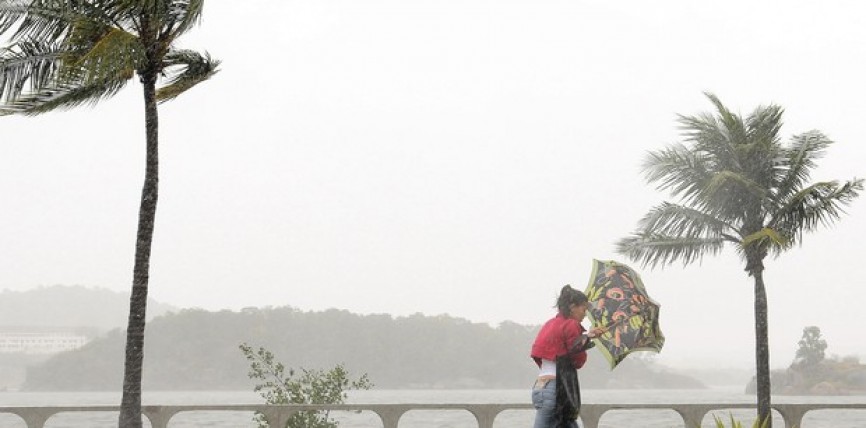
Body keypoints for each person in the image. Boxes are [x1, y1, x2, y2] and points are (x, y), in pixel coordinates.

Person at [530, 285, 603, 428]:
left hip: (541, 387)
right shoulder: (571, 325)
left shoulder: (550, 324)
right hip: (557, 390)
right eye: (583, 309)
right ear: (572, 307)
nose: (585, 314)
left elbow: (545, 354)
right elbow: (577, 360)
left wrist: (587, 337)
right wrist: (587, 338)